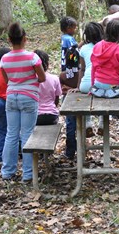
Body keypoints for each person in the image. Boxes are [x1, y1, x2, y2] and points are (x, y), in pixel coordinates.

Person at [0, 23, 46, 182]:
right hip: (29, 98)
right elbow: (42, 78)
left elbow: (7, 80)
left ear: (9, 39)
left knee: (11, 134)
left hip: (11, 97)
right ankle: (28, 174)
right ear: (25, 38)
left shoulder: (4, 58)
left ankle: (7, 172)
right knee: (27, 134)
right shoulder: (33, 57)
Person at [76, 22, 105, 139]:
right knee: (105, 94)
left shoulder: (83, 48)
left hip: (86, 84)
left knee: (87, 96)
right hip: (102, 82)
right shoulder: (106, 46)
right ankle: (102, 121)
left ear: (86, 36)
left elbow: (82, 69)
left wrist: (78, 87)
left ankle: (88, 122)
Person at [90, 20, 119, 98]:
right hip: (113, 87)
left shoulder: (97, 46)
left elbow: (93, 69)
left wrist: (92, 85)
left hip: (98, 85)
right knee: (118, 87)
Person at [59, 16, 79, 159]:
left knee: (71, 119)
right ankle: (71, 147)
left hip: (68, 73)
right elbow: (73, 56)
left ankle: (71, 147)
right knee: (71, 117)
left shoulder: (65, 38)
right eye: (73, 27)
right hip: (71, 73)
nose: (75, 29)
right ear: (68, 28)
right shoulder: (68, 39)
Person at [34, 50, 62, 126]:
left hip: (35, 116)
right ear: (47, 64)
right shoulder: (54, 78)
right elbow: (56, 100)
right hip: (51, 115)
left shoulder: (30, 80)